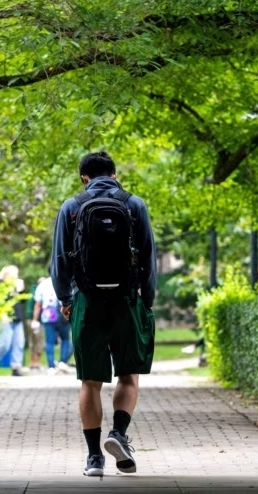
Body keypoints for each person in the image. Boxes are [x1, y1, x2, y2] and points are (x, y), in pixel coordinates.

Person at [51, 151, 157, 477]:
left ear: (84, 177)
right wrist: (147, 301)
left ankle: (94, 458)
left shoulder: (72, 207)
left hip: (87, 301)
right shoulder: (134, 204)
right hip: (126, 300)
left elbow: (59, 261)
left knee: (90, 382)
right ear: (114, 173)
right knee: (128, 375)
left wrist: (66, 299)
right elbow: (149, 256)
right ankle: (119, 434)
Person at [0, 265, 27, 377]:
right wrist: (2, 314)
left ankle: (16, 367)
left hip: (17, 318)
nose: (16, 276)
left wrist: (21, 290)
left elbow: (22, 301)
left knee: (19, 343)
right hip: (5, 319)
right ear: (7, 274)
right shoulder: (0, 285)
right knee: (4, 344)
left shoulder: (16, 285)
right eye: (14, 274)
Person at [33, 273, 72, 375]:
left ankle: (51, 366)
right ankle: (63, 362)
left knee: (49, 341)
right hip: (63, 314)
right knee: (65, 339)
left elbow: (38, 304)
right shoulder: (66, 280)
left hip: (48, 316)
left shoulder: (43, 284)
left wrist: (35, 319)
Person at [25, 279, 45, 373]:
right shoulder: (39, 292)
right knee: (38, 341)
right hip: (37, 320)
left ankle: (32, 363)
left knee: (32, 342)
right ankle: (36, 363)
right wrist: (35, 320)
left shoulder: (31, 292)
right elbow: (37, 306)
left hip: (30, 319)